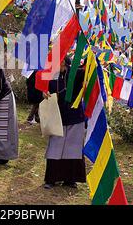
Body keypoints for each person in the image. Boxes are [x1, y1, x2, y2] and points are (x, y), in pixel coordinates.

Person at [43, 56, 86, 189]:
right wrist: (43, 92)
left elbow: (88, 71)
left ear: (64, 62)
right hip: (58, 117)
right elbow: (42, 87)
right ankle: (51, 179)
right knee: (55, 148)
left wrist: (91, 57)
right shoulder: (52, 77)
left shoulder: (77, 74)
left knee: (72, 149)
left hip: (75, 116)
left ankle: (70, 179)